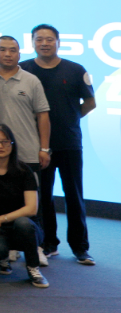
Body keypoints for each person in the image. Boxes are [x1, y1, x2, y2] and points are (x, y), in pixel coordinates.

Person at [20, 24, 95, 265]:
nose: (44, 43)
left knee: (74, 196)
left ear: (58, 42)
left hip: (70, 143)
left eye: (49, 39)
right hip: (37, 145)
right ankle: (48, 243)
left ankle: (80, 247)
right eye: (39, 39)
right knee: (42, 197)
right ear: (32, 42)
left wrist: (71, 118)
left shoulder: (75, 69)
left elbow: (90, 102)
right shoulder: (25, 69)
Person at [0, 124, 48, 287]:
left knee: (23, 223)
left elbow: (31, 208)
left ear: (12, 145)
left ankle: (33, 268)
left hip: (25, 227)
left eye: (5, 142)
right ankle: (3, 259)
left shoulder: (24, 171)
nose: (0, 146)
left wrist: (1, 218)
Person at [0, 36, 52, 212]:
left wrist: (44, 148)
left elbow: (43, 115)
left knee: (31, 207)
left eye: (13, 50)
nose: (7, 54)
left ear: (19, 54)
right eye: (2, 50)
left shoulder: (32, 80)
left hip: (27, 153)